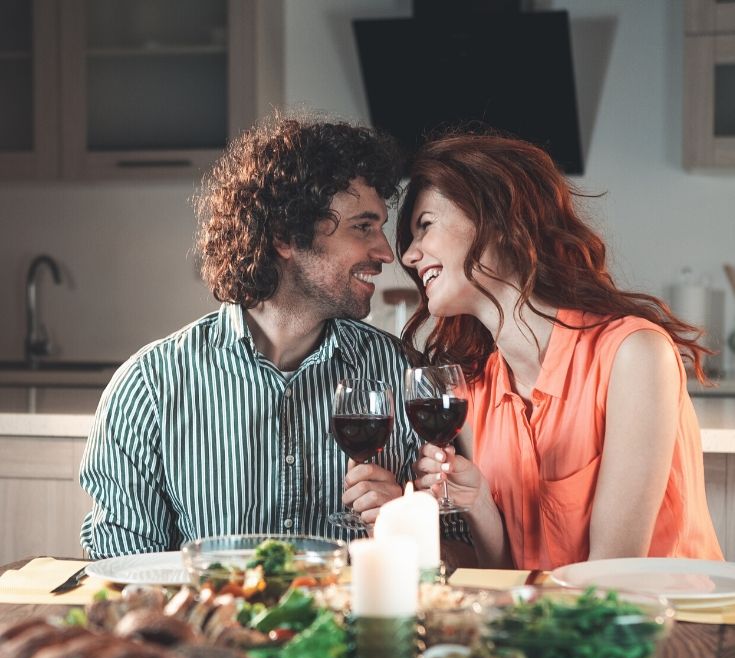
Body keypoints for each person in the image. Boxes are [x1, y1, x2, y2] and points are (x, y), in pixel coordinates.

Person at [80, 114, 433, 559]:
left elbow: (461, 555)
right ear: (286, 235)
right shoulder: (149, 387)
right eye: (362, 227)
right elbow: (126, 570)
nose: (385, 252)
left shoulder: (400, 374)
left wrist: (407, 525)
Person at [396, 130, 724, 570]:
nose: (410, 257)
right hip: (551, 627)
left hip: (669, 630)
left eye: (426, 226)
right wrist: (476, 502)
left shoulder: (634, 356)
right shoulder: (475, 393)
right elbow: (508, 574)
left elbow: (615, 574)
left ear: (496, 217)